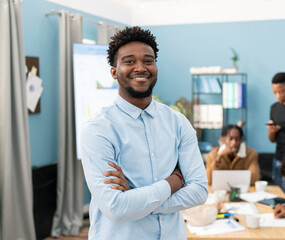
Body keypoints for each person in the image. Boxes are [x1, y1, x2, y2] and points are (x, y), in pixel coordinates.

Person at [80, 26, 208, 240]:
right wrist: (173, 183)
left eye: (148, 61)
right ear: (114, 71)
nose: (140, 67)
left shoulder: (177, 123)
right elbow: (116, 208)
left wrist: (136, 198)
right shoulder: (98, 130)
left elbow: (199, 191)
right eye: (129, 61)